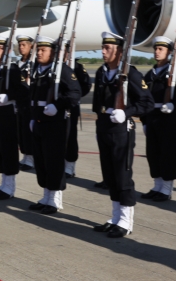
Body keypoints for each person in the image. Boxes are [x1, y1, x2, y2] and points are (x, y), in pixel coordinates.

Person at [91, 32, 154, 238]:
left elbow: (147, 103)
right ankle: (115, 217)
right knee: (109, 175)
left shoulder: (131, 74)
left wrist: (126, 112)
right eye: (103, 47)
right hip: (105, 127)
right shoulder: (102, 72)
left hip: (121, 130)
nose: (103, 51)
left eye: (108, 48)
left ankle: (126, 221)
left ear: (119, 51)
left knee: (122, 175)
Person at [26, 36, 81, 214]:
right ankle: (46, 196)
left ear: (53, 52)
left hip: (55, 123)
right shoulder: (37, 70)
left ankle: (55, 199)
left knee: (54, 161)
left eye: (44, 50)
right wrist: (33, 117)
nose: (40, 53)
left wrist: (58, 105)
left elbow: (75, 93)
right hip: (39, 121)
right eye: (38, 50)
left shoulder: (61, 70)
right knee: (41, 161)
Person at [141, 36, 176, 201]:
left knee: (167, 153)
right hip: (152, 117)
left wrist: (174, 104)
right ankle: (157, 185)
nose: (157, 52)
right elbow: (144, 98)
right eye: (156, 49)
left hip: (168, 118)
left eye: (161, 49)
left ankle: (166, 189)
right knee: (153, 153)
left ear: (170, 52)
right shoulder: (151, 73)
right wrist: (144, 120)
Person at [0, 35, 25, 200]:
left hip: (9, 113)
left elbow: (23, 90)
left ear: (8, 50)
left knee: (8, 150)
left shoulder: (13, 69)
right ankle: (4, 183)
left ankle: (10, 187)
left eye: (0, 47)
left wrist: (9, 97)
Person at [64, 40, 92, 178]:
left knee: (70, 137)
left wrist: (76, 96)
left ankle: (70, 166)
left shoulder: (77, 67)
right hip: (57, 107)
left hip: (71, 107)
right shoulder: (57, 67)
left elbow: (86, 85)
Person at [15, 35, 35, 171]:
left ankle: (31, 157)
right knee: (21, 131)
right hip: (19, 102)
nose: (21, 48)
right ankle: (25, 155)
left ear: (30, 47)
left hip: (29, 102)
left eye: (24, 45)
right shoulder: (18, 63)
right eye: (20, 45)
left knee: (28, 131)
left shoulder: (33, 64)